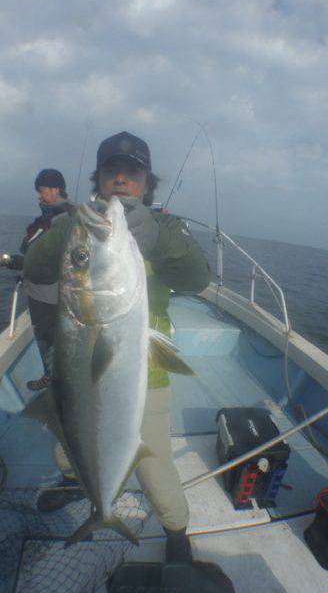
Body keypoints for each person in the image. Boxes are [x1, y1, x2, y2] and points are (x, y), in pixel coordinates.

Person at [38, 132, 211, 563]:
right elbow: (36, 265)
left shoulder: (166, 227)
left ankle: (176, 529)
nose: (120, 179)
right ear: (98, 178)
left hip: (143, 370)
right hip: (75, 367)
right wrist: (65, 231)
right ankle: (78, 483)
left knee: (152, 464)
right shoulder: (76, 223)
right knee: (66, 444)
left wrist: (157, 237)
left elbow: (196, 279)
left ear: (146, 181)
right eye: (111, 171)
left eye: (131, 172)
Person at [4, 169, 76, 390]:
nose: (38, 195)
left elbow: (56, 258)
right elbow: (36, 252)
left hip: (52, 297)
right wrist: (26, 270)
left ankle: (57, 381)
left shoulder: (67, 219)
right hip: (37, 292)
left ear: (56, 189)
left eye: (41, 190)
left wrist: (22, 264)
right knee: (45, 338)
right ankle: (52, 375)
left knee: (52, 339)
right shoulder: (45, 219)